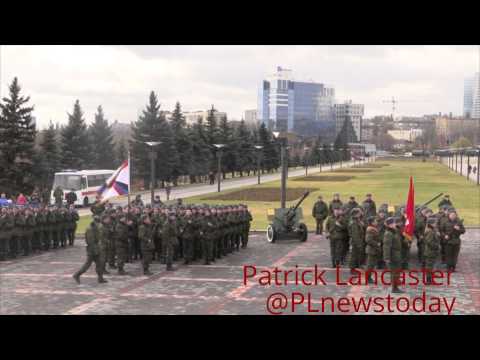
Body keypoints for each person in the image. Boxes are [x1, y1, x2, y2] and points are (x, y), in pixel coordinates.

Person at [73, 216, 108, 284]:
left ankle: (100, 278)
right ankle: (76, 275)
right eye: (99, 223)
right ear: (96, 222)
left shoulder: (95, 228)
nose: (100, 225)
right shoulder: (90, 229)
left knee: (99, 264)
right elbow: (90, 242)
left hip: (96, 249)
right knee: (87, 265)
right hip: (92, 250)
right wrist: (95, 251)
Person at [383, 217, 403, 294]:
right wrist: (387, 258)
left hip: (396, 254)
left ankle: (396, 285)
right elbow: (386, 246)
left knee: (397, 271)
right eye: (394, 223)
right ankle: (394, 288)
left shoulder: (394, 231)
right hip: (393, 255)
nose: (395, 224)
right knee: (394, 272)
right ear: (390, 224)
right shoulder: (389, 233)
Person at [423, 217, 441, 284]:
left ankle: (430, 279)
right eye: (434, 223)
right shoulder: (430, 231)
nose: (436, 224)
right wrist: (436, 246)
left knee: (431, 265)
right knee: (429, 266)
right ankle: (428, 280)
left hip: (432, 251)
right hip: (430, 251)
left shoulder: (432, 230)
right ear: (431, 224)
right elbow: (429, 242)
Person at [365, 216, 381, 284]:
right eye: (375, 221)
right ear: (372, 222)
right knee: (370, 265)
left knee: (371, 265)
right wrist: (377, 244)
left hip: (373, 250)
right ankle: (368, 278)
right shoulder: (370, 229)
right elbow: (368, 240)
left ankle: (369, 277)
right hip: (371, 250)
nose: (376, 222)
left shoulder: (373, 228)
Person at [348, 208, 365, 273]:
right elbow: (355, 235)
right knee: (353, 256)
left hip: (357, 241)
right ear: (356, 214)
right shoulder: (354, 223)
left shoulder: (357, 221)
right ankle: (352, 269)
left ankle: (354, 268)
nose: (360, 213)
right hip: (355, 242)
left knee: (356, 255)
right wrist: (359, 244)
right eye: (359, 212)